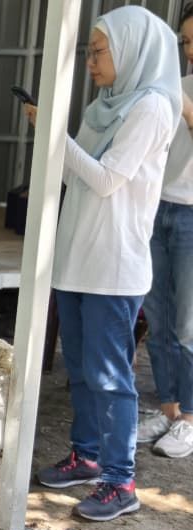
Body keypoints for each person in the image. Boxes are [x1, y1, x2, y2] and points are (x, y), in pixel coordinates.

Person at [31, 6, 181, 520]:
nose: (90, 63)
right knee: (79, 369)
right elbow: (76, 178)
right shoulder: (105, 105)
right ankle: (87, 455)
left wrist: (54, 136)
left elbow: (106, 179)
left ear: (133, 51)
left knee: (110, 376)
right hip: (77, 256)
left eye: (99, 53)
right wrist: (55, 140)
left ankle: (122, 481)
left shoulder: (152, 107)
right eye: (89, 52)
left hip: (113, 265)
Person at [136, 3, 193, 459]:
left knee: (188, 325)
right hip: (160, 210)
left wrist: (177, 100)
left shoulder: (180, 93)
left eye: (192, 41)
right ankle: (169, 409)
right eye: (183, 43)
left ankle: (190, 418)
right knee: (157, 319)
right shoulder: (179, 88)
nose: (187, 51)